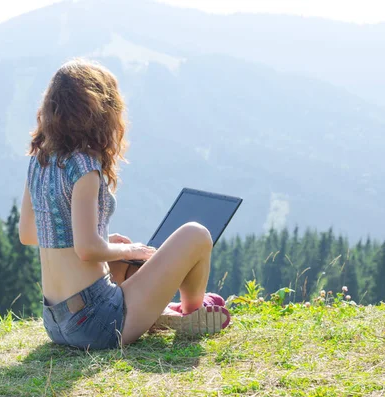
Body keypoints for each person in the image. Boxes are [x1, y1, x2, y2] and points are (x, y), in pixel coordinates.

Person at [18, 58, 230, 350]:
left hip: (56, 322)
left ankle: (162, 310)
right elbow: (87, 249)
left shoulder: (39, 160)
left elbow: (28, 233)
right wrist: (128, 249)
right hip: (97, 322)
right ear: (101, 113)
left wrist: (108, 246)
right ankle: (192, 310)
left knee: (123, 263)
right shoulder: (84, 169)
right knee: (196, 234)